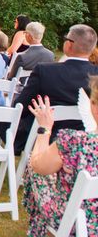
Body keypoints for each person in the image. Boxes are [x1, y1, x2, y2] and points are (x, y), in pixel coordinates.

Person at [0, 24, 98, 177]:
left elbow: (21, 106)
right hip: (82, 139)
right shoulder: (94, 75)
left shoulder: (45, 71)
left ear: (69, 44)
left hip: (40, 134)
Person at [23, 88, 98, 236]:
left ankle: (38, 226)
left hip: (78, 222)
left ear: (93, 106)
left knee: (35, 168)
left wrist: (44, 129)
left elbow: (38, 166)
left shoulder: (74, 141)